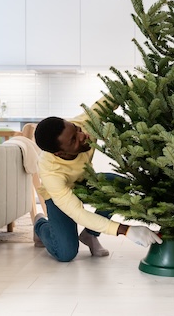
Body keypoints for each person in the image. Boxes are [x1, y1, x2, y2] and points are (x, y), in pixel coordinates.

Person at [32, 107, 162, 262]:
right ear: (60, 153)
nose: (83, 136)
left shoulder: (87, 122)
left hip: (85, 181)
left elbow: (109, 100)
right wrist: (125, 230)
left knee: (118, 184)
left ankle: (90, 234)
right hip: (58, 196)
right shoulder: (51, 173)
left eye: (77, 129)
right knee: (66, 253)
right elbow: (78, 213)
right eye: (73, 140)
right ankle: (40, 225)